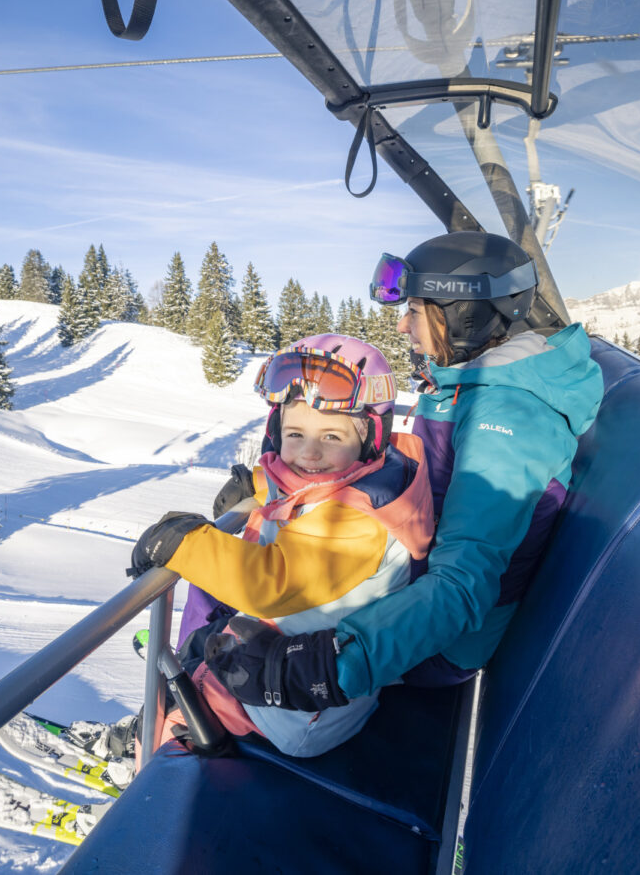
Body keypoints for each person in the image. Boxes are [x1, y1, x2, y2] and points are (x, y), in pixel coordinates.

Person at [200, 231, 604, 712]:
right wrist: (268, 482)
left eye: (414, 310)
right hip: (407, 588)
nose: (401, 327)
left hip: (435, 642)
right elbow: (410, 472)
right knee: (238, 560)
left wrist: (334, 665)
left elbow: (461, 585)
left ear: (465, 312)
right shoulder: (470, 384)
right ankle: (190, 685)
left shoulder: (508, 417)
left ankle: (183, 719)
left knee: (241, 595)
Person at [127, 334, 435, 757]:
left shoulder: (362, 519)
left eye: (331, 436)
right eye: (294, 434)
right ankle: (156, 727)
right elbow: (308, 488)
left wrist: (183, 545)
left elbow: (270, 582)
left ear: (368, 439)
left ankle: (151, 753)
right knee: (200, 650)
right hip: (289, 662)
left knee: (196, 690)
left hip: (301, 703)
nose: (309, 453)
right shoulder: (362, 477)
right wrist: (258, 484)